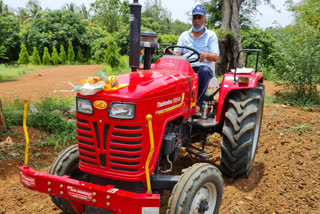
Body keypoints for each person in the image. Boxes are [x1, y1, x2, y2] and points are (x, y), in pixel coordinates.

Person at [172, 5, 219, 114]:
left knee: (203, 72)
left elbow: (215, 56)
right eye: (194, 18)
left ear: (205, 20)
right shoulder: (184, 35)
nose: (197, 21)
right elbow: (177, 53)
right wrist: (168, 52)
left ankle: (197, 105)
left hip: (203, 68)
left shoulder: (211, 36)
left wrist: (206, 55)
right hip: (186, 68)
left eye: (199, 17)